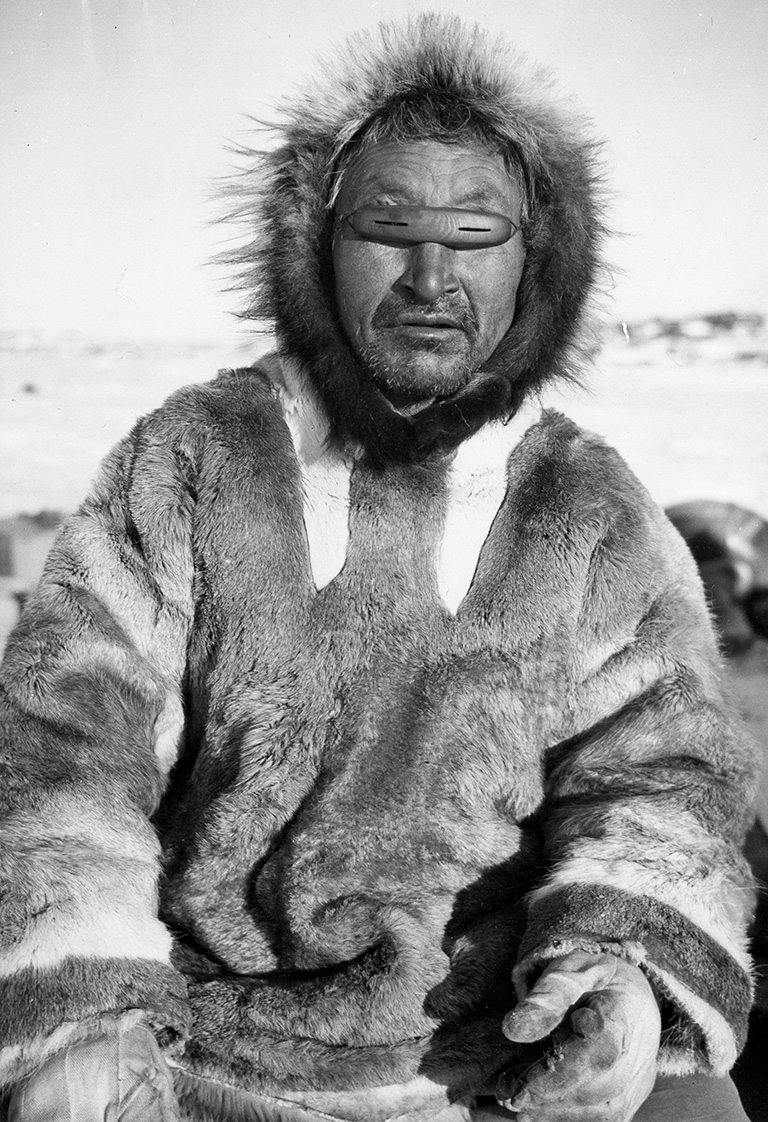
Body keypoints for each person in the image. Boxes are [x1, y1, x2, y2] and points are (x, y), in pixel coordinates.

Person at [0, 14, 758, 1122]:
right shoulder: (191, 459)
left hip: (496, 1045)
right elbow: (63, 747)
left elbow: (662, 774)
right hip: (202, 1042)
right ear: (315, 243)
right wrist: (82, 1014)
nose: (430, 275)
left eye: (474, 232)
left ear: (536, 262)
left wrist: (619, 976)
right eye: (388, 228)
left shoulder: (590, 506)